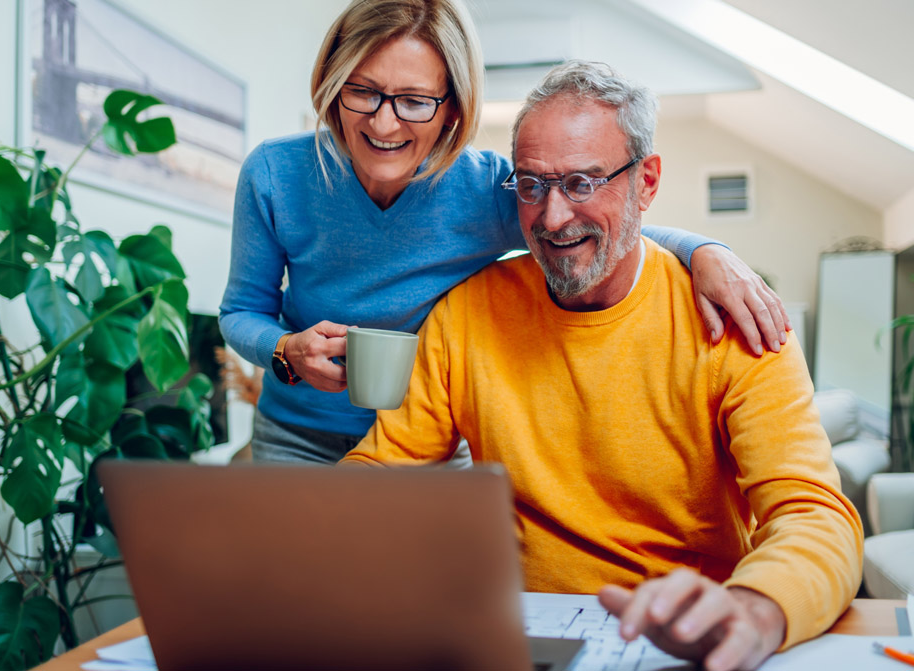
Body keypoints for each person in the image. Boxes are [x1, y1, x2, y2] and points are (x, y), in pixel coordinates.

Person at [340, 60, 862, 671]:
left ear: (646, 183)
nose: (553, 216)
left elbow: (814, 515)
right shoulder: (467, 313)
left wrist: (753, 609)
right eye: (531, 185)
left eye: (582, 183)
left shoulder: (732, 320)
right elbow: (380, 472)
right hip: (521, 640)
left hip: (688, 645)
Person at [218, 0, 789, 466]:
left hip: (433, 446)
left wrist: (707, 250)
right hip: (295, 438)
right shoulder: (275, 174)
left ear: (452, 110)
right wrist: (285, 351)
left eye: (415, 101)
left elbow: (597, 225)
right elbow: (241, 310)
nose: (384, 122)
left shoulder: (483, 190)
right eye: (363, 91)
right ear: (332, 83)